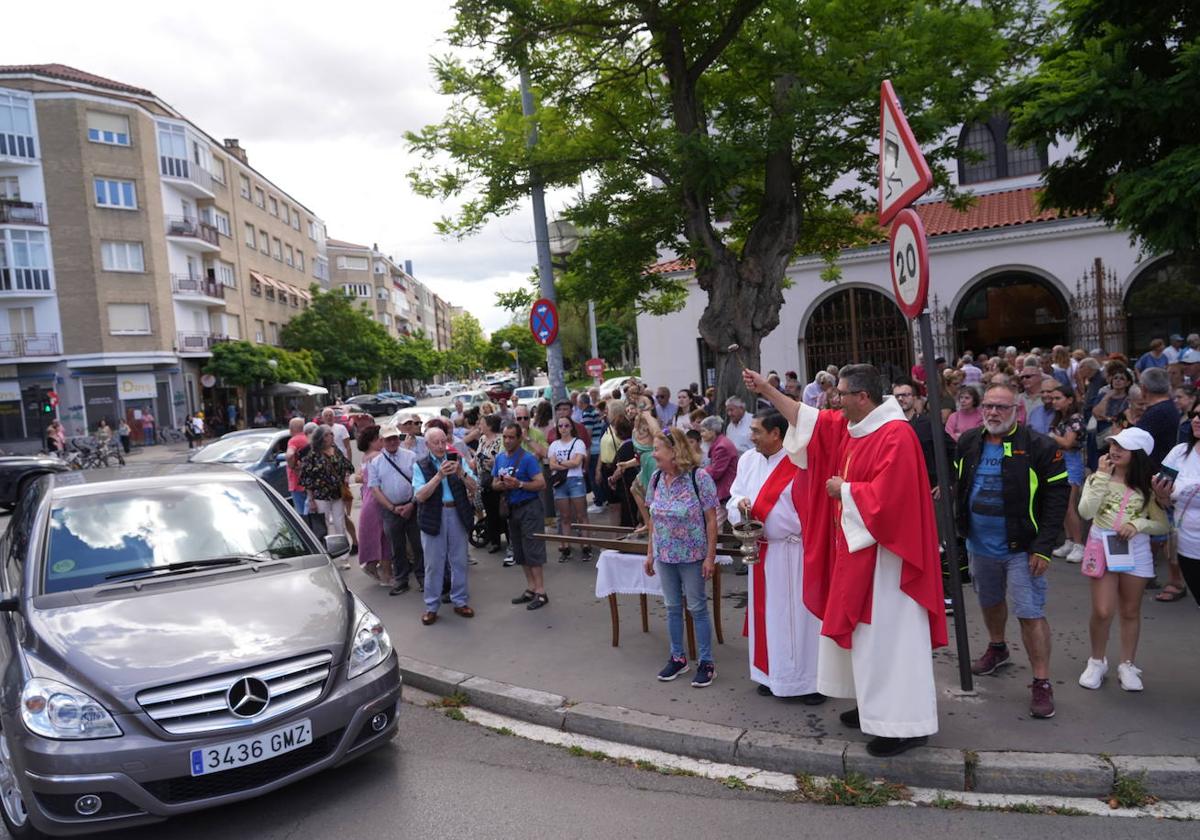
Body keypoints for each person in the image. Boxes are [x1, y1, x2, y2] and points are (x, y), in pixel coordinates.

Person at [746, 365, 947, 757]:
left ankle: (902, 724)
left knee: (889, 641)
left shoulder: (896, 435)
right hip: (861, 552)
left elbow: (893, 498)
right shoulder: (857, 427)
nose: (834, 400)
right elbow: (810, 421)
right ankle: (872, 707)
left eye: (841, 394)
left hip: (891, 561)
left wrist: (846, 490)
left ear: (863, 397)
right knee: (864, 639)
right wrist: (769, 391)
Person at [954, 382, 1069, 718]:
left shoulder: (1039, 446)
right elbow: (960, 486)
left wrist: (1044, 548)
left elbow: (1057, 499)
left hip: (1022, 548)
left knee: (1030, 613)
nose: (992, 412)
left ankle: (1041, 682)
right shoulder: (968, 441)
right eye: (988, 406)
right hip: (980, 544)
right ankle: (998, 647)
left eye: (1000, 407)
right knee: (989, 602)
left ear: (1016, 410)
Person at [726, 410, 824, 704]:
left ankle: (811, 682)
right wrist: (740, 506)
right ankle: (771, 675)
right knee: (769, 617)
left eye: (756, 431)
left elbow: (809, 509)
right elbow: (734, 495)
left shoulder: (799, 463)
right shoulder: (748, 460)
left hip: (793, 552)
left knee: (799, 620)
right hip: (761, 550)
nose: (750, 436)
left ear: (776, 434)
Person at [1077, 428, 1168, 692]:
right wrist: (1102, 477)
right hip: (1100, 546)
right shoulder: (1097, 477)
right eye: (1113, 445)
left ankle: (1127, 664)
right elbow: (1085, 512)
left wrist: (1137, 524)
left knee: (1130, 610)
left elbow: (1162, 525)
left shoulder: (1148, 487)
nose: (1114, 450)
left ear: (1137, 455)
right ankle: (1097, 660)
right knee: (1103, 610)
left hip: (1135, 551)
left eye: (1122, 447)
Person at [644, 427, 720, 688]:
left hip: (692, 556)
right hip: (665, 556)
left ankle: (707, 663)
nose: (653, 455)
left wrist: (710, 558)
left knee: (697, 608)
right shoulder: (655, 478)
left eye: (657, 449)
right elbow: (653, 517)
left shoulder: (699, 478)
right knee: (672, 608)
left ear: (674, 451)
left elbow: (712, 520)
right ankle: (678, 658)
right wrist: (650, 552)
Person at [412, 427, 479, 625]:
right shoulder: (420, 465)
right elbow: (420, 496)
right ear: (427, 445)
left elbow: (475, 487)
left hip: (456, 512)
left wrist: (461, 473)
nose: (441, 446)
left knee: (459, 560)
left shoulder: (456, 459)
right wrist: (438, 476)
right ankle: (431, 606)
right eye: (436, 443)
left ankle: (460, 601)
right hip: (434, 514)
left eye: (444, 441)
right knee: (433, 563)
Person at [495, 421, 550, 610]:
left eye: (511, 437)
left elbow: (541, 483)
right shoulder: (500, 458)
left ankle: (541, 592)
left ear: (519, 439)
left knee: (533, 549)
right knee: (520, 551)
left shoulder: (528, 459)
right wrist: (501, 485)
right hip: (512, 508)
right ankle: (531, 588)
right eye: (505, 437)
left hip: (530, 508)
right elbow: (494, 482)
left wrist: (519, 484)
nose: (508, 440)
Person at [370, 424, 424, 595]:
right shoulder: (376, 462)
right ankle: (401, 580)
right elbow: (375, 489)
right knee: (397, 547)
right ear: (382, 441)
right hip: (390, 510)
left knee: (418, 545)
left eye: (395, 438)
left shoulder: (411, 456)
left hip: (412, 506)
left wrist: (411, 504)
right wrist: (392, 508)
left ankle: (422, 577)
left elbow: (419, 482)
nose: (392, 442)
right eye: (388, 439)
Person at [1157, 409, 1200, 606]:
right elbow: (1162, 497)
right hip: (1187, 546)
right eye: (1195, 415)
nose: (1197, 420)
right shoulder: (1180, 451)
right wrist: (1162, 495)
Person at [299, 425, 355, 566]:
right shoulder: (312, 455)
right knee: (323, 526)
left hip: (337, 494)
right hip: (320, 496)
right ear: (321, 438)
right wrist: (311, 499)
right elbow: (307, 479)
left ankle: (344, 557)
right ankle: (326, 555)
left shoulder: (336, 450)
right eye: (328, 434)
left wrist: (346, 476)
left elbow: (348, 466)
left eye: (331, 434)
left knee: (339, 524)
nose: (332, 436)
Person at [1047, 382, 1086, 563]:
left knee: (1070, 505)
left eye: (1058, 398)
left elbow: (1068, 443)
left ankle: (1079, 544)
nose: (1054, 402)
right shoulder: (1059, 418)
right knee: (1062, 504)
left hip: (1071, 461)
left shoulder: (1075, 418)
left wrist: (1053, 437)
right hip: (1057, 460)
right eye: (1053, 398)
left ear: (1069, 400)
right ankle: (1069, 541)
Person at [355, 425, 392, 589]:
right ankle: (386, 576)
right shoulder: (378, 456)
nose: (383, 442)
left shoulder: (365, 457)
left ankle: (373, 567)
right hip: (378, 500)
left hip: (369, 499)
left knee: (379, 537)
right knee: (385, 539)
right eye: (380, 439)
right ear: (373, 441)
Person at [549, 415, 590, 561]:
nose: (564, 429)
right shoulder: (554, 445)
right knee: (564, 517)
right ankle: (565, 547)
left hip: (575, 480)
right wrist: (567, 462)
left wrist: (560, 461)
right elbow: (552, 464)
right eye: (560, 426)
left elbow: (577, 462)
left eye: (566, 425)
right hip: (560, 482)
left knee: (581, 515)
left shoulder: (578, 442)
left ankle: (586, 546)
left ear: (571, 427)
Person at [476, 413, 508, 555]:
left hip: (497, 478)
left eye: (482, 423)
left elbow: (505, 458)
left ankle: (510, 540)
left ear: (489, 425)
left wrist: (494, 463)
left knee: (503, 511)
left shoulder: (501, 440)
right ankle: (494, 541)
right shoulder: (482, 439)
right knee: (490, 512)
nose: (479, 426)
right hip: (484, 480)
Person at [699, 416, 738, 527]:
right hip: (725, 489)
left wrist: (699, 472)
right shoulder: (720, 443)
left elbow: (716, 471)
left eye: (703, 431)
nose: (701, 434)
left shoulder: (722, 446)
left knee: (714, 524)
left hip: (726, 489)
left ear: (712, 431)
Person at [284, 417, 310, 515]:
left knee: (301, 514)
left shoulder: (293, 441)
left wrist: (291, 465)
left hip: (296, 482)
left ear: (291, 429)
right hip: (308, 481)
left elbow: (290, 454)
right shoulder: (307, 438)